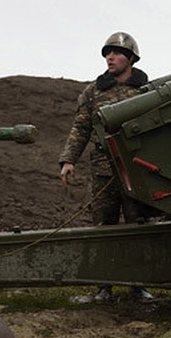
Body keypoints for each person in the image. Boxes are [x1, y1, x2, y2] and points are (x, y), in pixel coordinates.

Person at [58, 31, 156, 302]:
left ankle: (138, 285)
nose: (110, 57)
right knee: (103, 227)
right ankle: (104, 287)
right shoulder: (93, 92)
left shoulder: (145, 91)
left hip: (137, 168)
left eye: (116, 52)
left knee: (138, 225)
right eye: (106, 53)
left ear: (131, 58)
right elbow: (81, 127)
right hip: (104, 168)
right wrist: (68, 160)